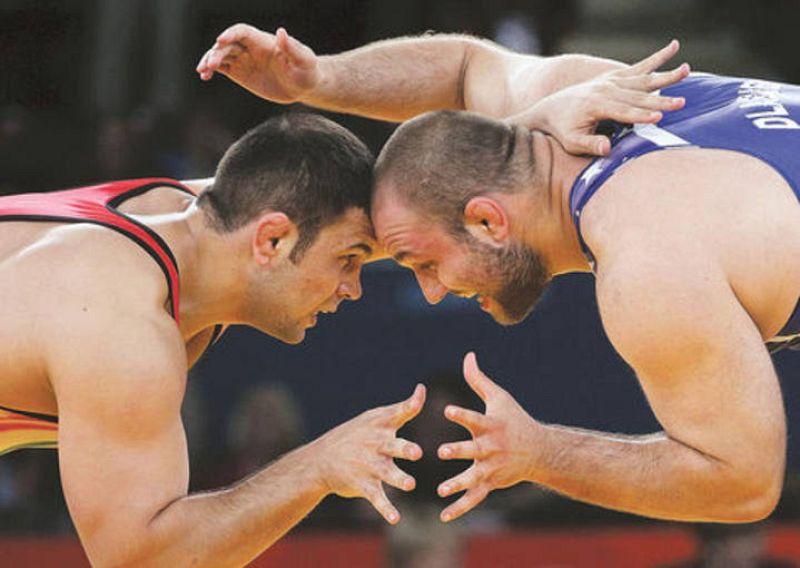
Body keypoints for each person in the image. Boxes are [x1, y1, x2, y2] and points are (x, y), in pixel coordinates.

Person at [199, 26, 796, 524]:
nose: (433, 292)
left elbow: (743, 482)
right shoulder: (595, 101)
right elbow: (466, 68)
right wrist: (317, 81)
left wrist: (539, 453)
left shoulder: (649, 267)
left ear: (488, 221)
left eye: (425, 264)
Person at [0, 113, 428, 565]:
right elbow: (138, 561)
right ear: (272, 241)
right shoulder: (116, 325)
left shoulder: (214, 210)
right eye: (348, 259)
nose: (354, 288)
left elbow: (377, 217)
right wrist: (319, 466)